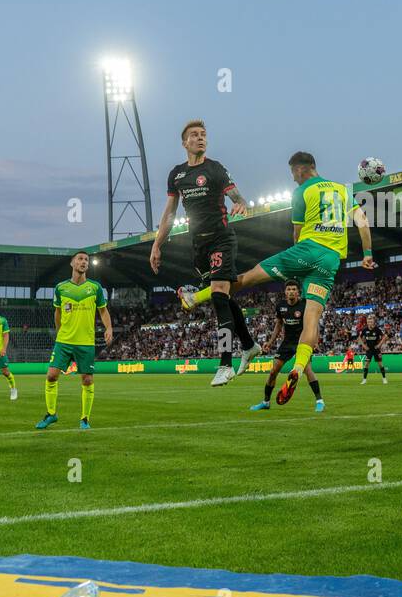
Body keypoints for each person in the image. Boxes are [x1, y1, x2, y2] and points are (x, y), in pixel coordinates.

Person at [183, 151, 375, 406]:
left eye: (293, 173)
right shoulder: (343, 190)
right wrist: (368, 255)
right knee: (312, 319)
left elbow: (297, 232)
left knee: (246, 277)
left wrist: (296, 261)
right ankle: (298, 367)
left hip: (306, 251)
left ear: (299, 170)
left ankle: (195, 297)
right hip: (330, 260)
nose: (293, 178)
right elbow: (362, 221)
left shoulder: (303, 191)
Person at [150, 120, 258, 387]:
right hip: (198, 246)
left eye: (204, 135)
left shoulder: (215, 168)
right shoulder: (176, 175)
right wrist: (156, 244)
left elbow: (237, 197)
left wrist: (242, 205)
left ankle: (225, 364)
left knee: (219, 295)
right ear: (184, 143)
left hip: (221, 238)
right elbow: (169, 213)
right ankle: (249, 344)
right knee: (225, 297)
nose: (200, 138)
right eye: (194, 135)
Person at [38, 251, 112, 430]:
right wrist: (58, 331)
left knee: (87, 380)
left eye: (86, 260)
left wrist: (109, 328)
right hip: (64, 340)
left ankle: (85, 419)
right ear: (72, 263)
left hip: (86, 342)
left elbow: (103, 310)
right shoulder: (61, 287)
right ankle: (51, 414)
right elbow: (57, 312)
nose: (84, 262)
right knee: (51, 375)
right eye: (80, 259)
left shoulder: (95, 287)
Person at [251, 280, 324, 412]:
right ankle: (265, 402)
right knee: (273, 371)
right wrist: (270, 342)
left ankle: (319, 401)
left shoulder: (304, 305)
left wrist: (315, 340)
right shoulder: (280, 306)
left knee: (307, 370)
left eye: (293, 289)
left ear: (298, 292)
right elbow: (278, 324)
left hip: (303, 342)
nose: (291, 291)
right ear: (285, 292)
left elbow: (314, 324)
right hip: (287, 343)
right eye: (288, 289)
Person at [358, 314, 388, 385]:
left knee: (380, 364)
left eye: (371, 321)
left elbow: (385, 337)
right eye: (368, 321)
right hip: (369, 350)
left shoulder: (377, 330)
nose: (369, 323)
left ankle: (384, 378)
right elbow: (359, 338)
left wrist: (379, 345)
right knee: (366, 364)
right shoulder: (365, 330)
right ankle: (364, 380)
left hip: (376, 350)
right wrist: (364, 346)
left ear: (373, 322)